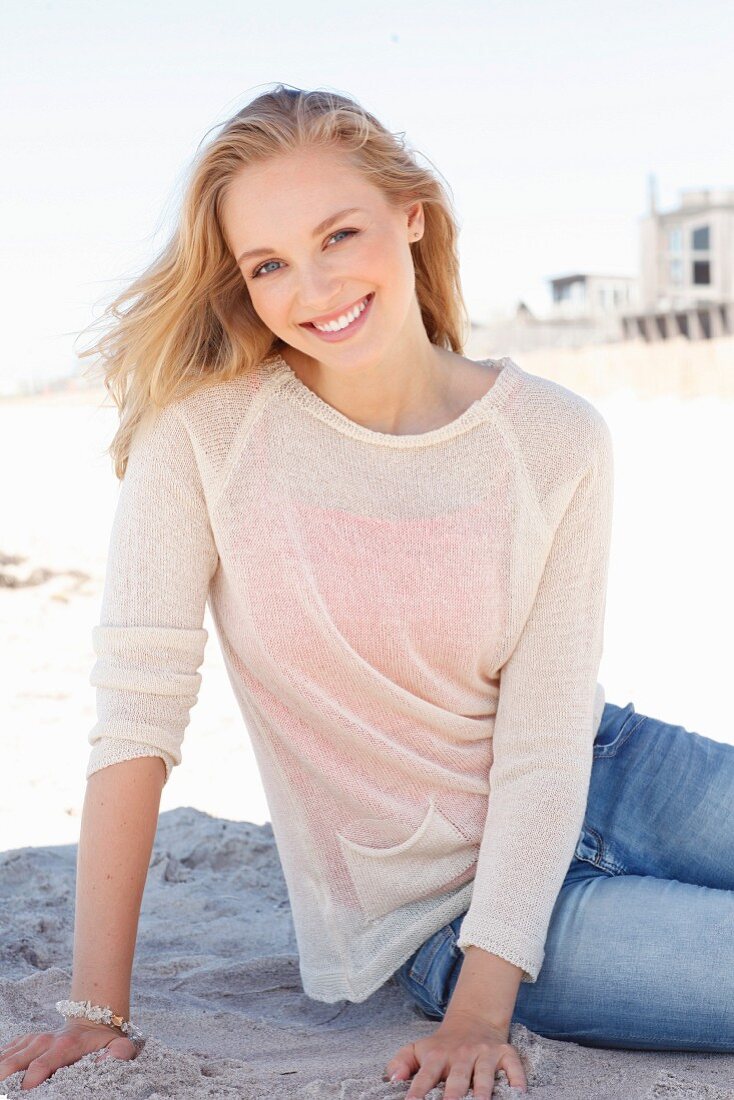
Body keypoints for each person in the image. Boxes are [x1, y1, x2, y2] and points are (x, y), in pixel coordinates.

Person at [3, 84, 734, 1099]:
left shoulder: (557, 437)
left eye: (337, 234)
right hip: (436, 907)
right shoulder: (205, 442)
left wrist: (485, 1017)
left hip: (601, 763)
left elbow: (544, 730)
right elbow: (135, 714)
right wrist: (95, 1009)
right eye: (267, 264)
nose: (311, 285)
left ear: (410, 214)